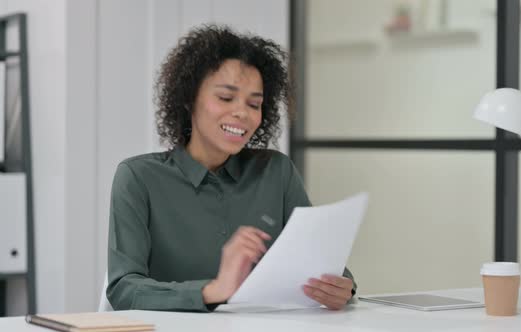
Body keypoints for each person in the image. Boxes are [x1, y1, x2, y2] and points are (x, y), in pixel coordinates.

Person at [106, 25, 356, 312]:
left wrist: (342, 287)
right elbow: (123, 288)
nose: (242, 113)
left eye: (254, 103)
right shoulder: (138, 178)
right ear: (189, 99)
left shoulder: (277, 171)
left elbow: (322, 262)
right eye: (226, 98)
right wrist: (213, 290)